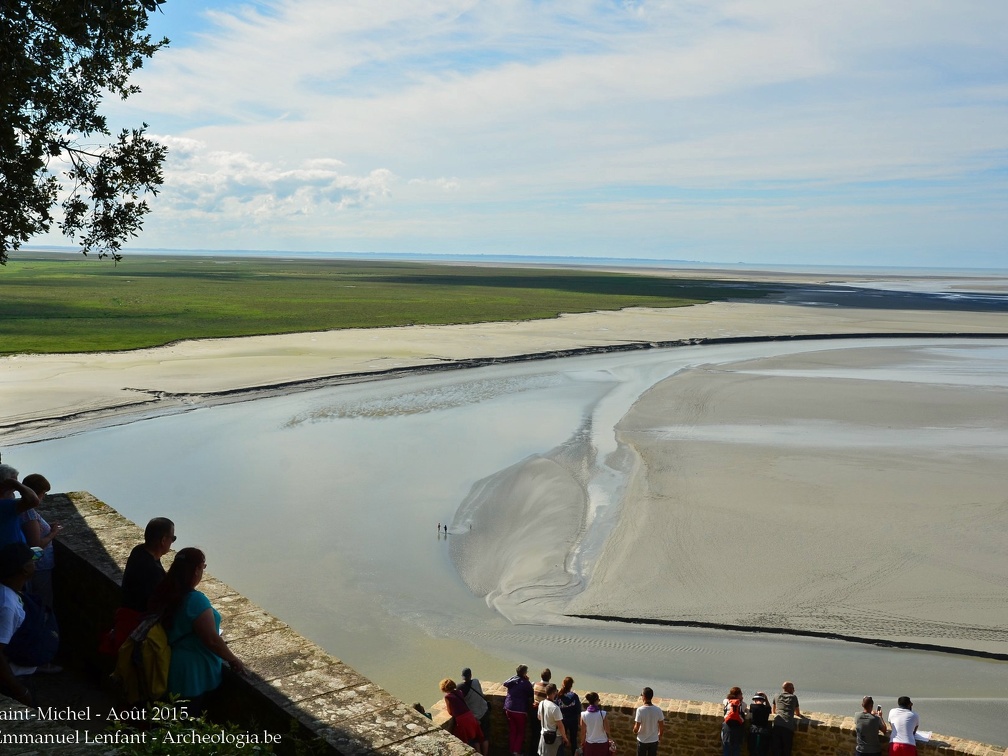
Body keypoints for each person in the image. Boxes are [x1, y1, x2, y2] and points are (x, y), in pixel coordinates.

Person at [149, 547, 245, 709]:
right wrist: (234, 660)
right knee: (187, 724)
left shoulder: (165, 590)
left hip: (172, 668)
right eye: (203, 567)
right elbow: (212, 640)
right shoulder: (195, 600)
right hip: (193, 676)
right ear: (196, 570)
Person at [0, 542, 38, 706]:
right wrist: (21, 692)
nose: (35, 562)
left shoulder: (7, 591)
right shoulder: (7, 606)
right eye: (32, 560)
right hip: (14, 678)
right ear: (25, 569)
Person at [19, 474, 60, 609]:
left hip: (33, 564)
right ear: (36, 493)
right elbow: (36, 545)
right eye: (44, 493)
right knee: (43, 602)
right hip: (39, 565)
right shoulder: (29, 513)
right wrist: (53, 533)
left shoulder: (20, 507)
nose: (44, 496)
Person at [122, 517, 176, 613]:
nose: (172, 542)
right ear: (163, 540)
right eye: (173, 538)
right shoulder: (153, 571)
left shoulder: (138, 551)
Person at [441, 677, 488, 754]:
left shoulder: (447, 697)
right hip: (470, 715)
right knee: (476, 737)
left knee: (467, 741)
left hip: (462, 719)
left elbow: (450, 712)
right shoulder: (459, 692)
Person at [0, 466, 41, 548]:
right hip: (12, 554)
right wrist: (15, 483)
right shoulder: (5, 505)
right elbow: (33, 500)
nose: (14, 490)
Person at [503, 663, 535, 756]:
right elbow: (530, 694)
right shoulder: (525, 683)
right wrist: (528, 681)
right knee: (520, 732)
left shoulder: (512, 680)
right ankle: (516, 752)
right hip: (519, 710)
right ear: (525, 673)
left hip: (509, 708)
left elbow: (505, 683)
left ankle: (511, 750)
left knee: (513, 731)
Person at [460, 667, 491, 752]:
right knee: (485, 736)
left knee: (475, 739)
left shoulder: (460, 687)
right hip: (484, 711)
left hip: (474, 716)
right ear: (471, 675)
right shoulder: (476, 682)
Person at [537, 682, 569, 756]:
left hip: (543, 735)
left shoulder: (541, 703)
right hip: (555, 738)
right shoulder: (555, 708)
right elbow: (560, 725)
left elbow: (539, 717)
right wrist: (565, 737)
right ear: (554, 693)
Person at [771, 681, 802, 756]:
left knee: (776, 750)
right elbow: (797, 713)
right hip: (788, 727)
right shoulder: (793, 697)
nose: (794, 690)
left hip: (777, 725)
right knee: (786, 750)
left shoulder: (776, 695)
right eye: (792, 688)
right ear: (788, 688)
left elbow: (773, 711)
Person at [634, 686, 665, 756]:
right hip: (653, 740)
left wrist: (634, 731)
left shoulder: (640, 710)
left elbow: (636, 728)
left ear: (644, 697)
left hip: (642, 740)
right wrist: (659, 736)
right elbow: (662, 727)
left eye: (641, 695)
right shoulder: (658, 710)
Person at [580, 691, 612, 756]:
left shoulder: (583, 715)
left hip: (590, 744)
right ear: (596, 701)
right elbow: (607, 730)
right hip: (602, 744)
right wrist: (610, 739)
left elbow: (583, 732)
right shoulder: (603, 714)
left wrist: (582, 742)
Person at [557, 676, 582, 756]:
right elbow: (578, 710)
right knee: (573, 739)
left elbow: (556, 708)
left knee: (562, 738)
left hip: (563, 719)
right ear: (571, 685)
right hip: (573, 720)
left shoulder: (559, 696)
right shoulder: (574, 697)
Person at [723, 685, 748, 756]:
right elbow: (745, 710)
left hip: (727, 725)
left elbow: (724, 700)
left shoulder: (727, 701)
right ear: (738, 695)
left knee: (726, 744)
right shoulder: (743, 704)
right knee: (736, 746)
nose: (742, 695)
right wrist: (741, 700)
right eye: (741, 694)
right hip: (738, 726)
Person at [747, 691, 773, 756]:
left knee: (752, 748)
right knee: (763, 750)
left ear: (755, 700)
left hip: (754, 729)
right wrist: (766, 698)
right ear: (763, 700)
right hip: (764, 730)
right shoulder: (767, 708)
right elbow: (769, 708)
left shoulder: (752, 706)